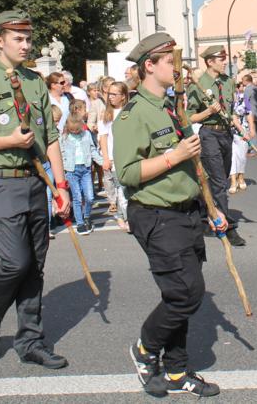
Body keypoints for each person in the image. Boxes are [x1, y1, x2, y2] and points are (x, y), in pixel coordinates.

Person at [0, 11, 71, 368]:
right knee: (14, 262)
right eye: (17, 38)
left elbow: (50, 138)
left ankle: (30, 340)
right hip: (1, 181)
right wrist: (7, 141)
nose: (25, 45)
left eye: (28, 38)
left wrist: (61, 186)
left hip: (36, 182)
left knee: (35, 265)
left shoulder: (35, 82)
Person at [115, 32, 225, 398]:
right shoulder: (133, 114)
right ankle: (145, 349)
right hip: (156, 213)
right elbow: (127, 173)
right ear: (149, 65)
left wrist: (211, 208)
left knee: (179, 294)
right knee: (186, 294)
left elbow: (192, 167)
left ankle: (177, 372)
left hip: (187, 211)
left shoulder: (172, 107)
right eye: (169, 62)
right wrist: (173, 156)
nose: (177, 69)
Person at [186, 45, 247, 247]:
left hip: (226, 133)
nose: (224, 62)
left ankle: (206, 216)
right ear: (210, 62)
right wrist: (208, 112)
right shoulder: (198, 84)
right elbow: (188, 117)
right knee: (220, 182)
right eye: (221, 59)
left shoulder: (228, 82)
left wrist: (241, 129)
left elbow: (232, 111)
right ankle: (227, 227)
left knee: (219, 179)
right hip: (209, 133)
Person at [60, 101, 102, 235]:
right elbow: (61, 154)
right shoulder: (64, 137)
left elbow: (92, 150)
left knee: (89, 197)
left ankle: (87, 216)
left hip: (86, 168)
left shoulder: (86, 134)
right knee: (77, 197)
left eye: (77, 130)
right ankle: (80, 223)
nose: (74, 132)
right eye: (72, 130)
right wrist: (63, 169)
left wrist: (102, 162)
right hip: (72, 170)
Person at [99, 81, 131, 231]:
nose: (110, 97)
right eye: (109, 94)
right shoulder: (106, 114)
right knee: (121, 189)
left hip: (129, 156)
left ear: (123, 96)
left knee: (127, 190)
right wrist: (106, 158)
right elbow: (103, 137)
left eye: (114, 94)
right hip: (114, 158)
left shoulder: (129, 112)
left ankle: (122, 215)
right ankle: (126, 218)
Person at [229, 78, 256, 194]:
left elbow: (249, 113)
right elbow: (232, 117)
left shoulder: (242, 98)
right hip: (228, 132)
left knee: (241, 156)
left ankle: (241, 177)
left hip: (243, 132)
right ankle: (233, 181)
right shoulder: (225, 100)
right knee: (232, 157)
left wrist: (252, 129)